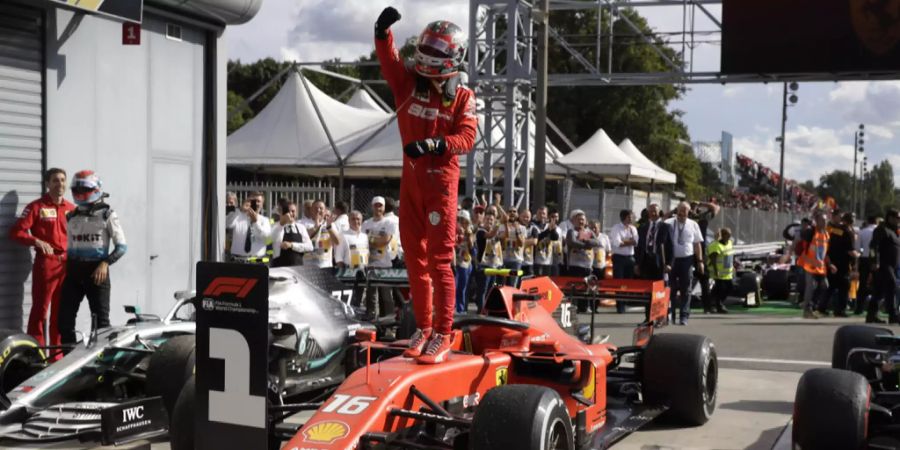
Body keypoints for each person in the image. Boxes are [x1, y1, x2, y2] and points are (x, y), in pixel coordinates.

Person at [376, 6, 478, 363]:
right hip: (411, 185)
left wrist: (438, 144)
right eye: (427, 47)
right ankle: (423, 328)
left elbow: (467, 136)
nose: (428, 54)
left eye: (437, 50)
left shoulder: (463, 96)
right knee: (414, 262)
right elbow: (389, 62)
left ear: (454, 56)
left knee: (439, 262)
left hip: (441, 186)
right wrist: (381, 33)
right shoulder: (407, 82)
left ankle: (444, 332)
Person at [58, 171, 126, 346]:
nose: (80, 191)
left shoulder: (107, 214)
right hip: (73, 272)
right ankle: (68, 361)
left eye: (84, 188)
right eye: (77, 188)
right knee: (64, 322)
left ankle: (103, 365)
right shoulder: (71, 215)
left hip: (97, 273)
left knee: (101, 324)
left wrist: (105, 263)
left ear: (96, 189)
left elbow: (122, 247)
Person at [9, 168, 75, 347]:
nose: (60, 184)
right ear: (47, 184)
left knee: (61, 313)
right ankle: (36, 353)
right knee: (40, 311)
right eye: (55, 180)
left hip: (67, 265)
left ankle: (57, 355)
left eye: (62, 180)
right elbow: (16, 232)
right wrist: (35, 241)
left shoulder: (72, 209)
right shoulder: (36, 207)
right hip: (47, 263)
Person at [665, 202, 705, 325]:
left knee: (686, 289)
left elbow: (697, 244)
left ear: (689, 212)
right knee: (669, 289)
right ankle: (669, 315)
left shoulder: (693, 225)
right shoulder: (669, 223)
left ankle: (684, 316)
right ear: (676, 210)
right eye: (680, 210)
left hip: (687, 260)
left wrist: (700, 261)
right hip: (671, 261)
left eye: (685, 210)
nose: (682, 213)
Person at [362, 196, 399, 318]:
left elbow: (385, 240)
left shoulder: (389, 222)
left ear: (384, 208)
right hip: (370, 264)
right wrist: (375, 241)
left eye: (380, 205)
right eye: (376, 205)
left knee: (386, 295)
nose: (378, 207)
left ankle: (389, 321)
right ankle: (371, 319)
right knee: (371, 296)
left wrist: (370, 239)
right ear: (372, 206)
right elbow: (362, 241)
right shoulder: (366, 223)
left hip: (385, 264)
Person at [797, 211, 837, 319]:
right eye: (822, 220)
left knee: (825, 285)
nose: (824, 222)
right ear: (817, 221)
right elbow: (801, 245)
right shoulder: (811, 232)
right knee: (811, 286)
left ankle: (811, 305)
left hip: (820, 265)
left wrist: (830, 264)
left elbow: (825, 252)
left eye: (825, 220)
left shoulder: (826, 235)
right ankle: (807, 309)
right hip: (809, 264)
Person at [868, 209, 900, 324]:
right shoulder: (881, 230)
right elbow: (873, 247)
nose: (898, 221)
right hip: (883, 264)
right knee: (892, 285)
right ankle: (893, 315)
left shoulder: (894, 231)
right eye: (897, 218)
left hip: (892, 265)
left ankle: (871, 315)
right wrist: (874, 261)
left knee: (879, 291)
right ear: (890, 218)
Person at [566, 211, 601, 312]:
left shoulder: (589, 232)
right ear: (574, 221)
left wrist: (587, 242)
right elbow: (572, 242)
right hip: (575, 265)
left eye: (583, 219)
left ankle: (584, 307)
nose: (581, 221)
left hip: (588, 265)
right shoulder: (571, 231)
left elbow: (596, 242)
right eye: (579, 219)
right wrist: (586, 245)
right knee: (575, 287)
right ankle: (574, 306)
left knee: (587, 287)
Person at [824, 212, 857, 317]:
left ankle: (822, 307)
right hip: (843, 262)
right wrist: (856, 257)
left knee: (832, 286)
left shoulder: (836, 230)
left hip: (833, 261)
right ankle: (840, 310)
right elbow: (850, 249)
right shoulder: (847, 231)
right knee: (844, 286)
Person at [225, 191, 272, 264]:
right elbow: (227, 224)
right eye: (253, 201)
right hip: (237, 260)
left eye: (258, 201)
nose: (256, 203)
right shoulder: (237, 216)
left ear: (262, 205)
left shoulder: (265, 220)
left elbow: (267, 238)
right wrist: (240, 210)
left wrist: (256, 223)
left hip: (257, 261)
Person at [335, 211, 369, 308]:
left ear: (362, 221)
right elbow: (339, 257)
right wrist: (342, 275)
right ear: (349, 221)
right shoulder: (343, 235)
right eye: (353, 219)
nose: (356, 221)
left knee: (358, 298)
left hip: (362, 272)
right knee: (348, 300)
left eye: (358, 219)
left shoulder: (365, 237)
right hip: (348, 272)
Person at [691, 201, 720, 314]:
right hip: (686, 252)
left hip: (700, 252)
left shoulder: (702, 218)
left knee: (704, 280)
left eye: (695, 208)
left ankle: (707, 307)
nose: (694, 209)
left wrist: (700, 203)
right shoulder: (684, 217)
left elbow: (716, 208)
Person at [609, 209, 638, 313]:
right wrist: (630, 242)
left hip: (630, 257)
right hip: (619, 258)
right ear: (624, 217)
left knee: (628, 282)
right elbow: (618, 243)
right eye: (630, 217)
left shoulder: (633, 229)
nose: (632, 219)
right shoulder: (616, 228)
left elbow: (636, 242)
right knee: (619, 281)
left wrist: (626, 241)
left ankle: (625, 302)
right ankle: (620, 305)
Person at [635, 203, 673, 282]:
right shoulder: (643, 227)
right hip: (645, 260)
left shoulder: (666, 227)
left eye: (655, 211)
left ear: (659, 212)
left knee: (659, 286)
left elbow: (671, 247)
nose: (653, 213)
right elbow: (639, 246)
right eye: (651, 211)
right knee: (646, 285)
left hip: (659, 261)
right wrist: (637, 263)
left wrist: (669, 264)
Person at [271, 201, 313, 267]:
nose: (290, 213)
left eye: (293, 211)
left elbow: (310, 247)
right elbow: (272, 240)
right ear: (281, 213)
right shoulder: (275, 226)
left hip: (297, 268)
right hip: (279, 267)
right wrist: (282, 224)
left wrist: (292, 245)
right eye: (288, 211)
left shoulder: (301, 227)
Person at [475, 211, 502, 311]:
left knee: (490, 291)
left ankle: (487, 310)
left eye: (491, 220)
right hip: (484, 265)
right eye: (487, 219)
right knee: (483, 290)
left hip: (494, 266)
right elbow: (490, 235)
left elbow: (504, 237)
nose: (489, 221)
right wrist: (499, 223)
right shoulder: (480, 231)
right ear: (483, 220)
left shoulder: (496, 233)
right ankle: (481, 311)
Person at [303, 200, 340, 269]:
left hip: (325, 266)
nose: (318, 210)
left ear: (325, 211)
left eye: (321, 208)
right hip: (307, 266)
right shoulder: (302, 223)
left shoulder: (330, 224)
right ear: (311, 210)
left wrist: (329, 228)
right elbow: (303, 239)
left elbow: (337, 242)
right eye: (315, 208)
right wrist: (316, 226)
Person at [855, 216, 879, 315]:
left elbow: (857, 248)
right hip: (876, 260)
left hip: (864, 258)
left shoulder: (862, 232)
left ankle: (859, 308)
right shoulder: (878, 231)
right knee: (877, 284)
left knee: (862, 284)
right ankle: (873, 309)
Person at [706, 227, 734, 314]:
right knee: (719, 289)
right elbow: (713, 258)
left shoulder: (729, 243)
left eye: (730, 235)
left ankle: (716, 303)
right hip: (718, 272)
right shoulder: (716, 246)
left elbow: (730, 255)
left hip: (727, 272)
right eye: (727, 235)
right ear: (722, 235)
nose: (729, 237)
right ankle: (717, 305)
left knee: (729, 287)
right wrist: (716, 270)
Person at [498, 207, 527, 286]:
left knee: (512, 285)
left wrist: (517, 229)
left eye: (514, 211)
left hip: (516, 260)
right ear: (506, 214)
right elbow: (500, 243)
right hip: (503, 259)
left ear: (517, 214)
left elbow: (521, 243)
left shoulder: (522, 228)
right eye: (510, 211)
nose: (512, 213)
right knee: (501, 285)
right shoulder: (501, 227)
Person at [454, 210, 476, 313]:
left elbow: (474, 251)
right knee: (455, 287)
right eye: (459, 220)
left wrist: (469, 238)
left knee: (462, 289)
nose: (462, 223)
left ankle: (461, 310)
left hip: (466, 263)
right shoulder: (453, 231)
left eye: (465, 221)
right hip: (455, 263)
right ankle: (454, 309)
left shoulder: (470, 232)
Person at [520, 209, 540, 277]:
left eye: (527, 217)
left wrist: (521, 242)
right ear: (520, 216)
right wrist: (528, 241)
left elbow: (535, 241)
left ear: (530, 218)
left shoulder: (533, 229)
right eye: (524, 216)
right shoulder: (516, 227)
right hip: (518, 261)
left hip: (529, 262)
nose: (525, 219)